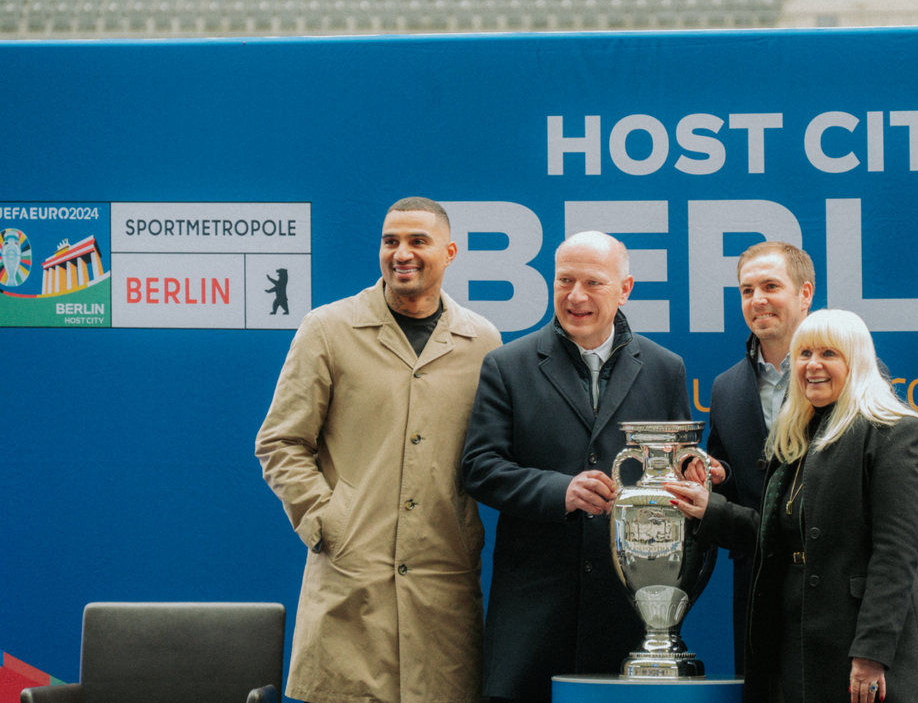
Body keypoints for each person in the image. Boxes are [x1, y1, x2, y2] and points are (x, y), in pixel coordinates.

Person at [256, 197, 501, 703]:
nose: (401, 253)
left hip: (443, 588)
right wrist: (328, 521)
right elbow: (281, 440)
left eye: (417, 241)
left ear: (450, 252)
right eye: (391, 241)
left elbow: (493, 453)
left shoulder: (482, 341)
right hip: (351, 582)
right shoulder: (328, 328)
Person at [670, 309, 918, 703]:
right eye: (803, 354)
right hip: (792, 641)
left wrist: (871, 654)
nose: (813, 366)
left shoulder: (894, 431)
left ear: (856, 362)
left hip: (860, 648)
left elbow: (895, 556)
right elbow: (776, 536)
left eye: (829, 354)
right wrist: (708, 508)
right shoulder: (794, 435)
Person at [461, 231, 691, 703]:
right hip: (532, 619)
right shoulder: (507, 365)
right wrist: (558, 491)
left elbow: (674, 465)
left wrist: (694, 471)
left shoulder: (666, 368)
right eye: (565, 280)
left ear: (625, 289)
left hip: (628, 615)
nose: (576, 296)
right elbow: (479, 467)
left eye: (594, 283)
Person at [705, 240, 815, 674]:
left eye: (771, 286)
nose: (758, 300)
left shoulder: (848, 372)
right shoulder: (725, 388)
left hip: (828, 588)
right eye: (747, 290)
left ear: (805, 294)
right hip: (755, 594)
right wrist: (715, 475)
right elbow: (734, 488)